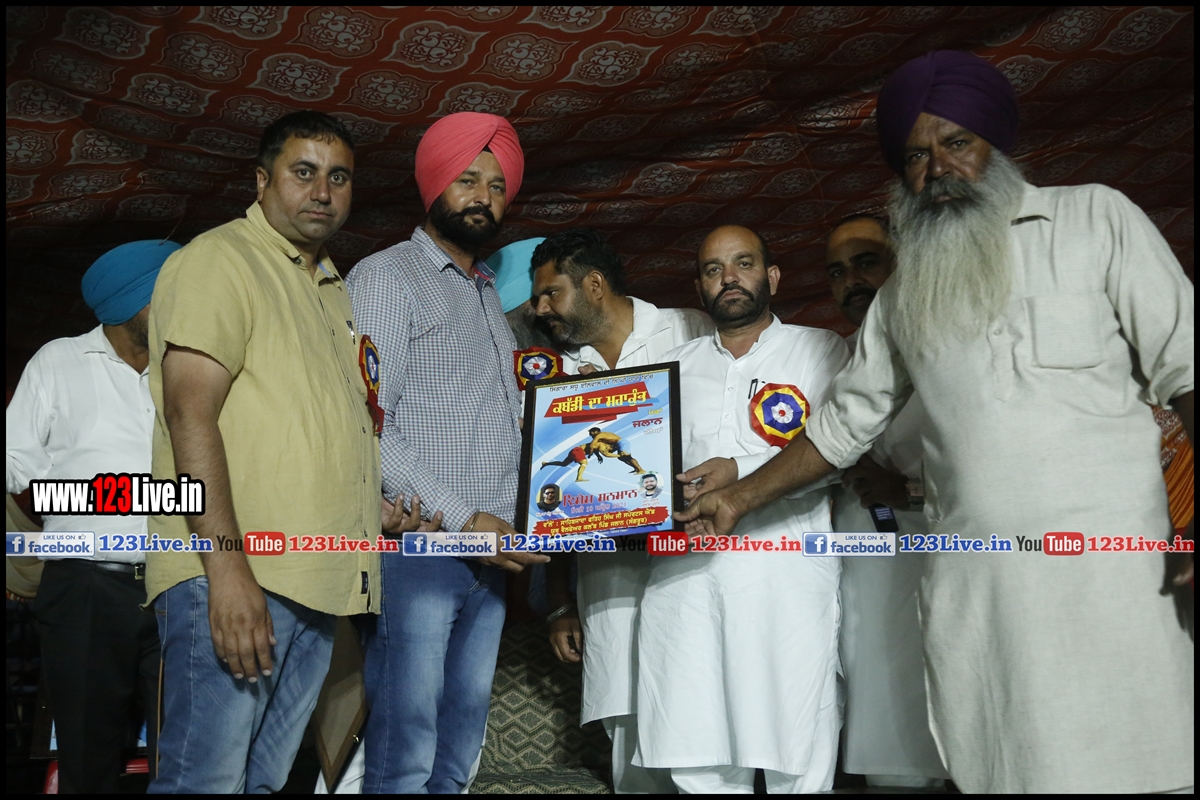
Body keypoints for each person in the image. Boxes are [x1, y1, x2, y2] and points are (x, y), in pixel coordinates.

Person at [680, 51, 1194, 794]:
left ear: (995, 144)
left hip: (1116, 575)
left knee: (1150, 758)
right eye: (915, 156)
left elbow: (1187, 365)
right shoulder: (905, 292)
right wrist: (737, 498)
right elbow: (842, 425)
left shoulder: (1095, 219)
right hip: (982, 595)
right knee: (1012, 768)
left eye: (956, 143)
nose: (939, 169)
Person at [145, 111, 383, 793]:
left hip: (315, 583)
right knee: (203, 783)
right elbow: (189, 412)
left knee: (264, 785)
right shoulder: (220, 260)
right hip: (236, 573)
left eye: (339, 177)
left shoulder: (329, 285)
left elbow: (309, 426)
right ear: (261, 180)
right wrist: (227, 573)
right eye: (303, 172)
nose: (323, 192)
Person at [347, 111, 548, 794]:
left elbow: (510, 421)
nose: (483, 197)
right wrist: (465, 520)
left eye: (496, 185)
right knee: (406, 748)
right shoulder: (387, 277)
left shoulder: (487, 290)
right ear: (433, 183)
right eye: (467, 180)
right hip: (424, 547)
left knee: (459, 745)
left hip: (491, 554)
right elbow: (368, 424)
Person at [636, 224, 850, 793]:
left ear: (772, 276)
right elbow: (642, 473)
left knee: (796, 741)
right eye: (713, 269)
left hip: (785, 577)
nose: (728, 278)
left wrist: (738, 468)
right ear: (700, 288)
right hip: (686, 581)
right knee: (698, 745)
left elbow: (838, 450)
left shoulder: (820, 348)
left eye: (743, 263)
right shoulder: (669, 368)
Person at [530, 227, 713, 794]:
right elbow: (551, 501)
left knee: (698, 715)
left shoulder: (691, 331)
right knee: (630, 736)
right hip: (608, 582)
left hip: (691, 570)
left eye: (551, 293)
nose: (540, 309)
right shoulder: (557, 373)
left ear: (594, 285)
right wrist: (559, 601)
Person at [6, 240, 178, 792]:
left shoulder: (193, 365)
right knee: (87, 757)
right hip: (86, 590)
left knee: (188, 757)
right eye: (169, 290)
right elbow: (14, 461)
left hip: (184, 585)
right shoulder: (58, 362)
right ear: (128, 303)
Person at [825, 215, 948, 788]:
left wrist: (910, 491)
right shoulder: (831, 359)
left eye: (865, 263)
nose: (851, 281)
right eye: (836, 272)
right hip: (864, 566)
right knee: (883, 722)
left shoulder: (952, 347)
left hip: (948, 550)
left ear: (902, 262)